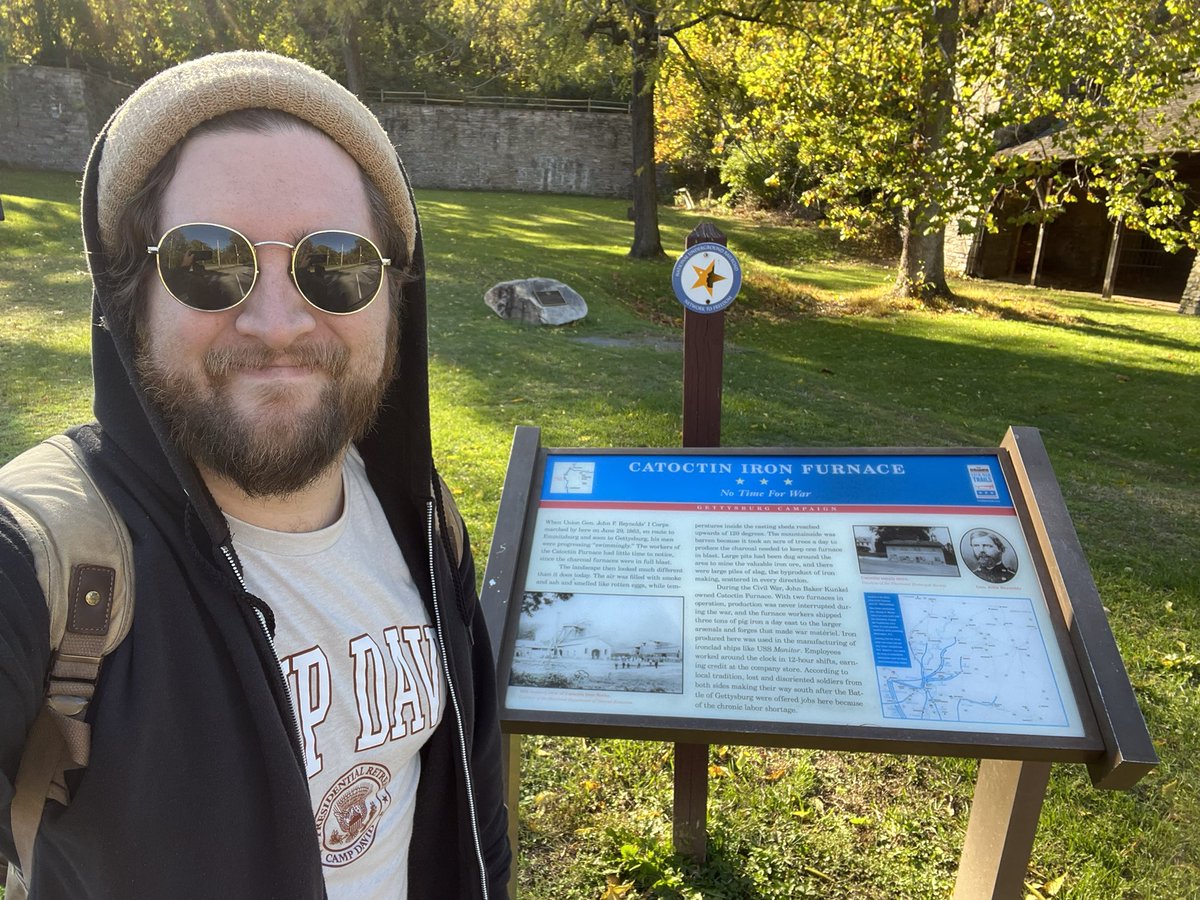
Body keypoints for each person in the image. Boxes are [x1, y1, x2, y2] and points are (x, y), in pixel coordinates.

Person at [0, 52, 509, 898]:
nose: (276, 323)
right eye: (208, 262)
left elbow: (473, 802)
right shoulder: (44, 560)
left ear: (394, 295)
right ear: (134, 298)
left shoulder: (419, 518)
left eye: (333, 263)